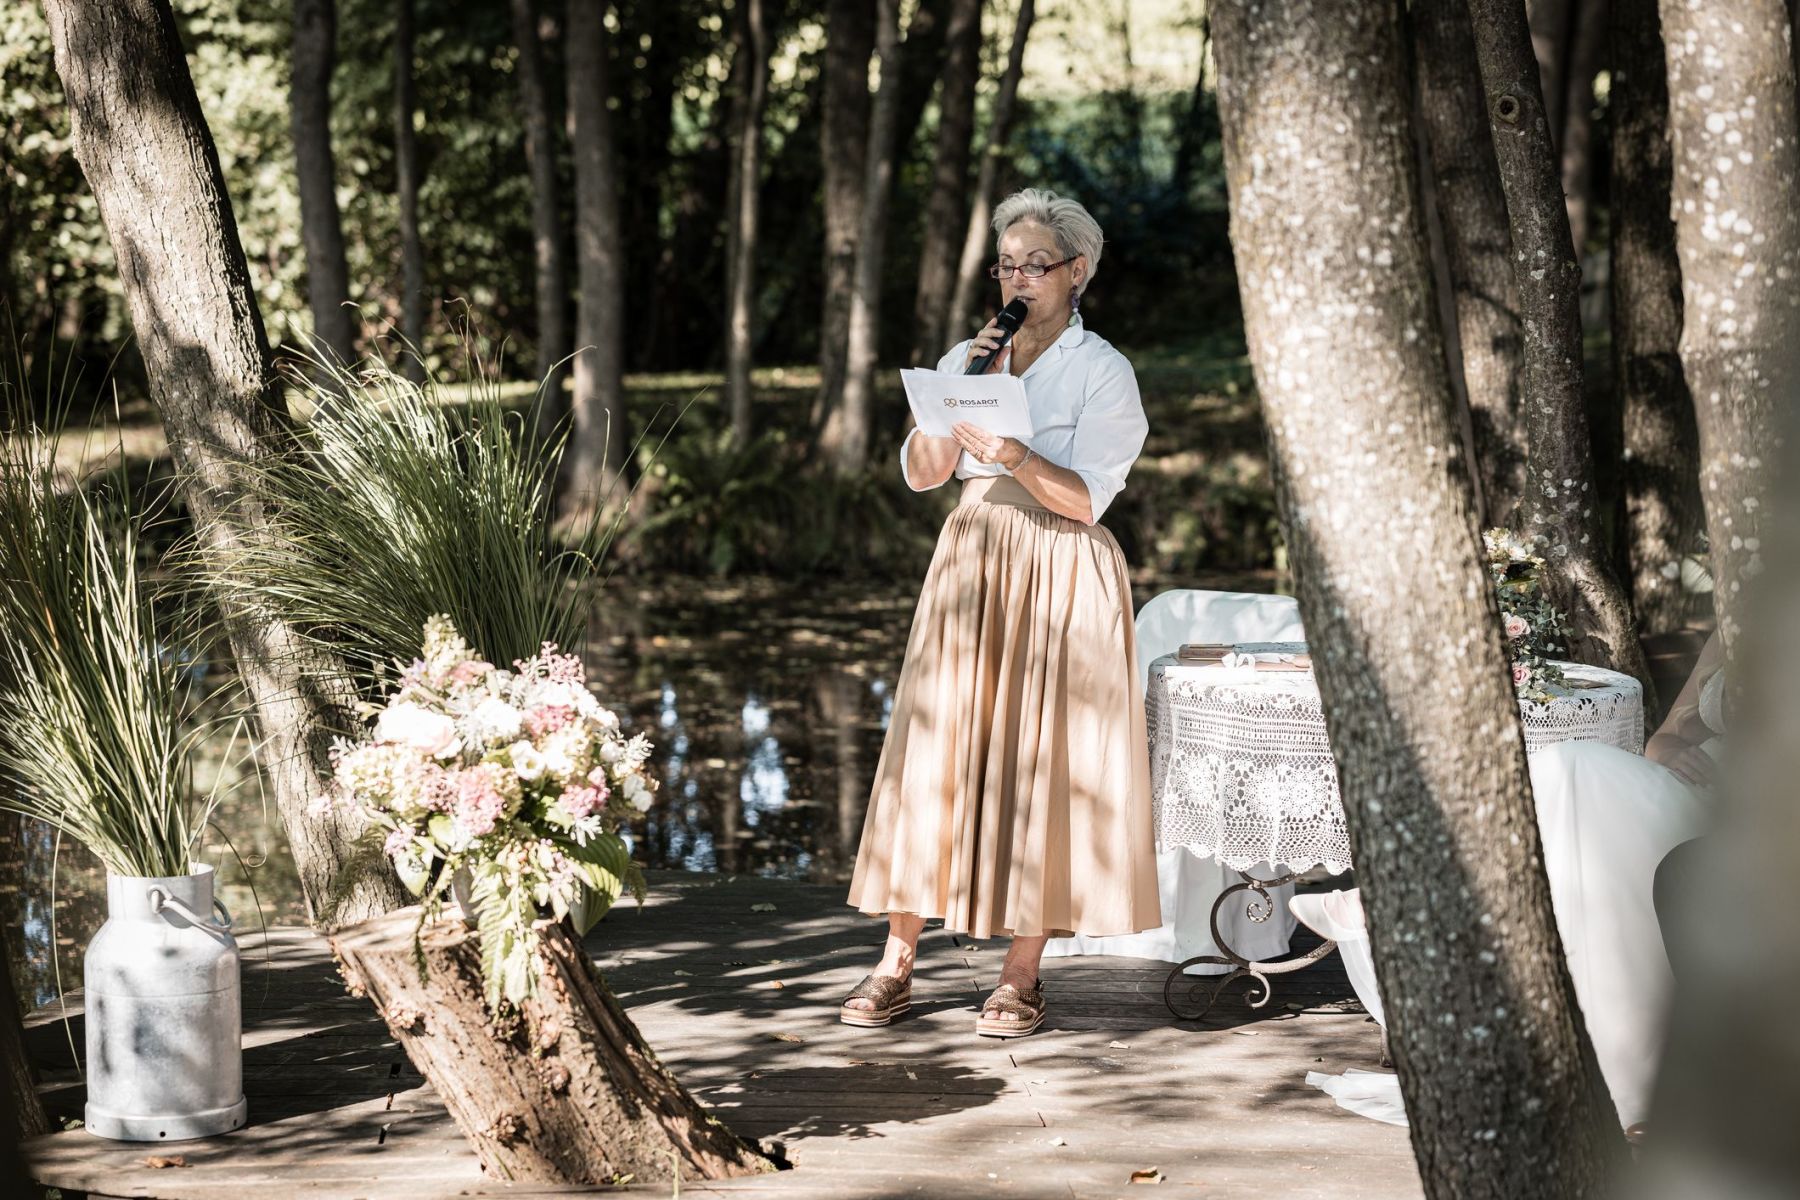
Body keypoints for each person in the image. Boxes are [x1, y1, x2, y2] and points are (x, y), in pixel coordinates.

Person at [841, 188, 1158, 1038]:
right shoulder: (969, 351)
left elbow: (1088, 500)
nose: (1016, 277)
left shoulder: (1104, 371)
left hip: (1061, 560)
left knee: (1046, 766)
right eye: (1006, 264)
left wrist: (1016, 449)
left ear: (1076, 271)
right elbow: (923, 471)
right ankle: (895, 963)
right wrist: (960, 396)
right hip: (974, 556)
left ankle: (1021, 975)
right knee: (935, 747)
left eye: (1034, 264)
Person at [1294, 635, 1723, 1129]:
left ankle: (1402, 900)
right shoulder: (1734, 627)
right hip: (1683, 789)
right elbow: (1664, 739)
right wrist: (1673, 755)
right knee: (1563, 770)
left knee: (1574, 771)